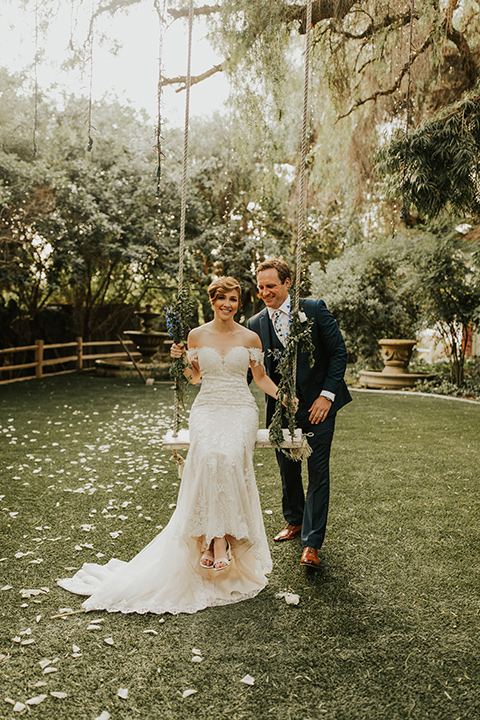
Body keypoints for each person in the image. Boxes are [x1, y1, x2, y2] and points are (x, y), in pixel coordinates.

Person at [57, 276, 281, 615]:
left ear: (239, 302)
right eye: (222, 299)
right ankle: (215, 541)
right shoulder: (196, 335)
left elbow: (260, 377)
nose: (228, 305)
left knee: (229, 455)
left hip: (239, 409)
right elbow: (193, 378)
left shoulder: (250, 337)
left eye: (233, 300)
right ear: (213, 301)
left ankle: (217, 542)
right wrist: (179, 358)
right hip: (207, 408)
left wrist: (287, 398)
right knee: (207, 455)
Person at [247, 258, 352, 570]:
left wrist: (326, 396)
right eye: (261, 287)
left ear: (287, 282)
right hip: (281, 411)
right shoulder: (254, 325)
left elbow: (338, 353)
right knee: (287, 469)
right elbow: (250, 373)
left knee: (318, 472)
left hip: (320, 407)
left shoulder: (314, 309)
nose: (265, 292)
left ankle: (311, 542)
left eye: (271, 286)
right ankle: (293, 520)